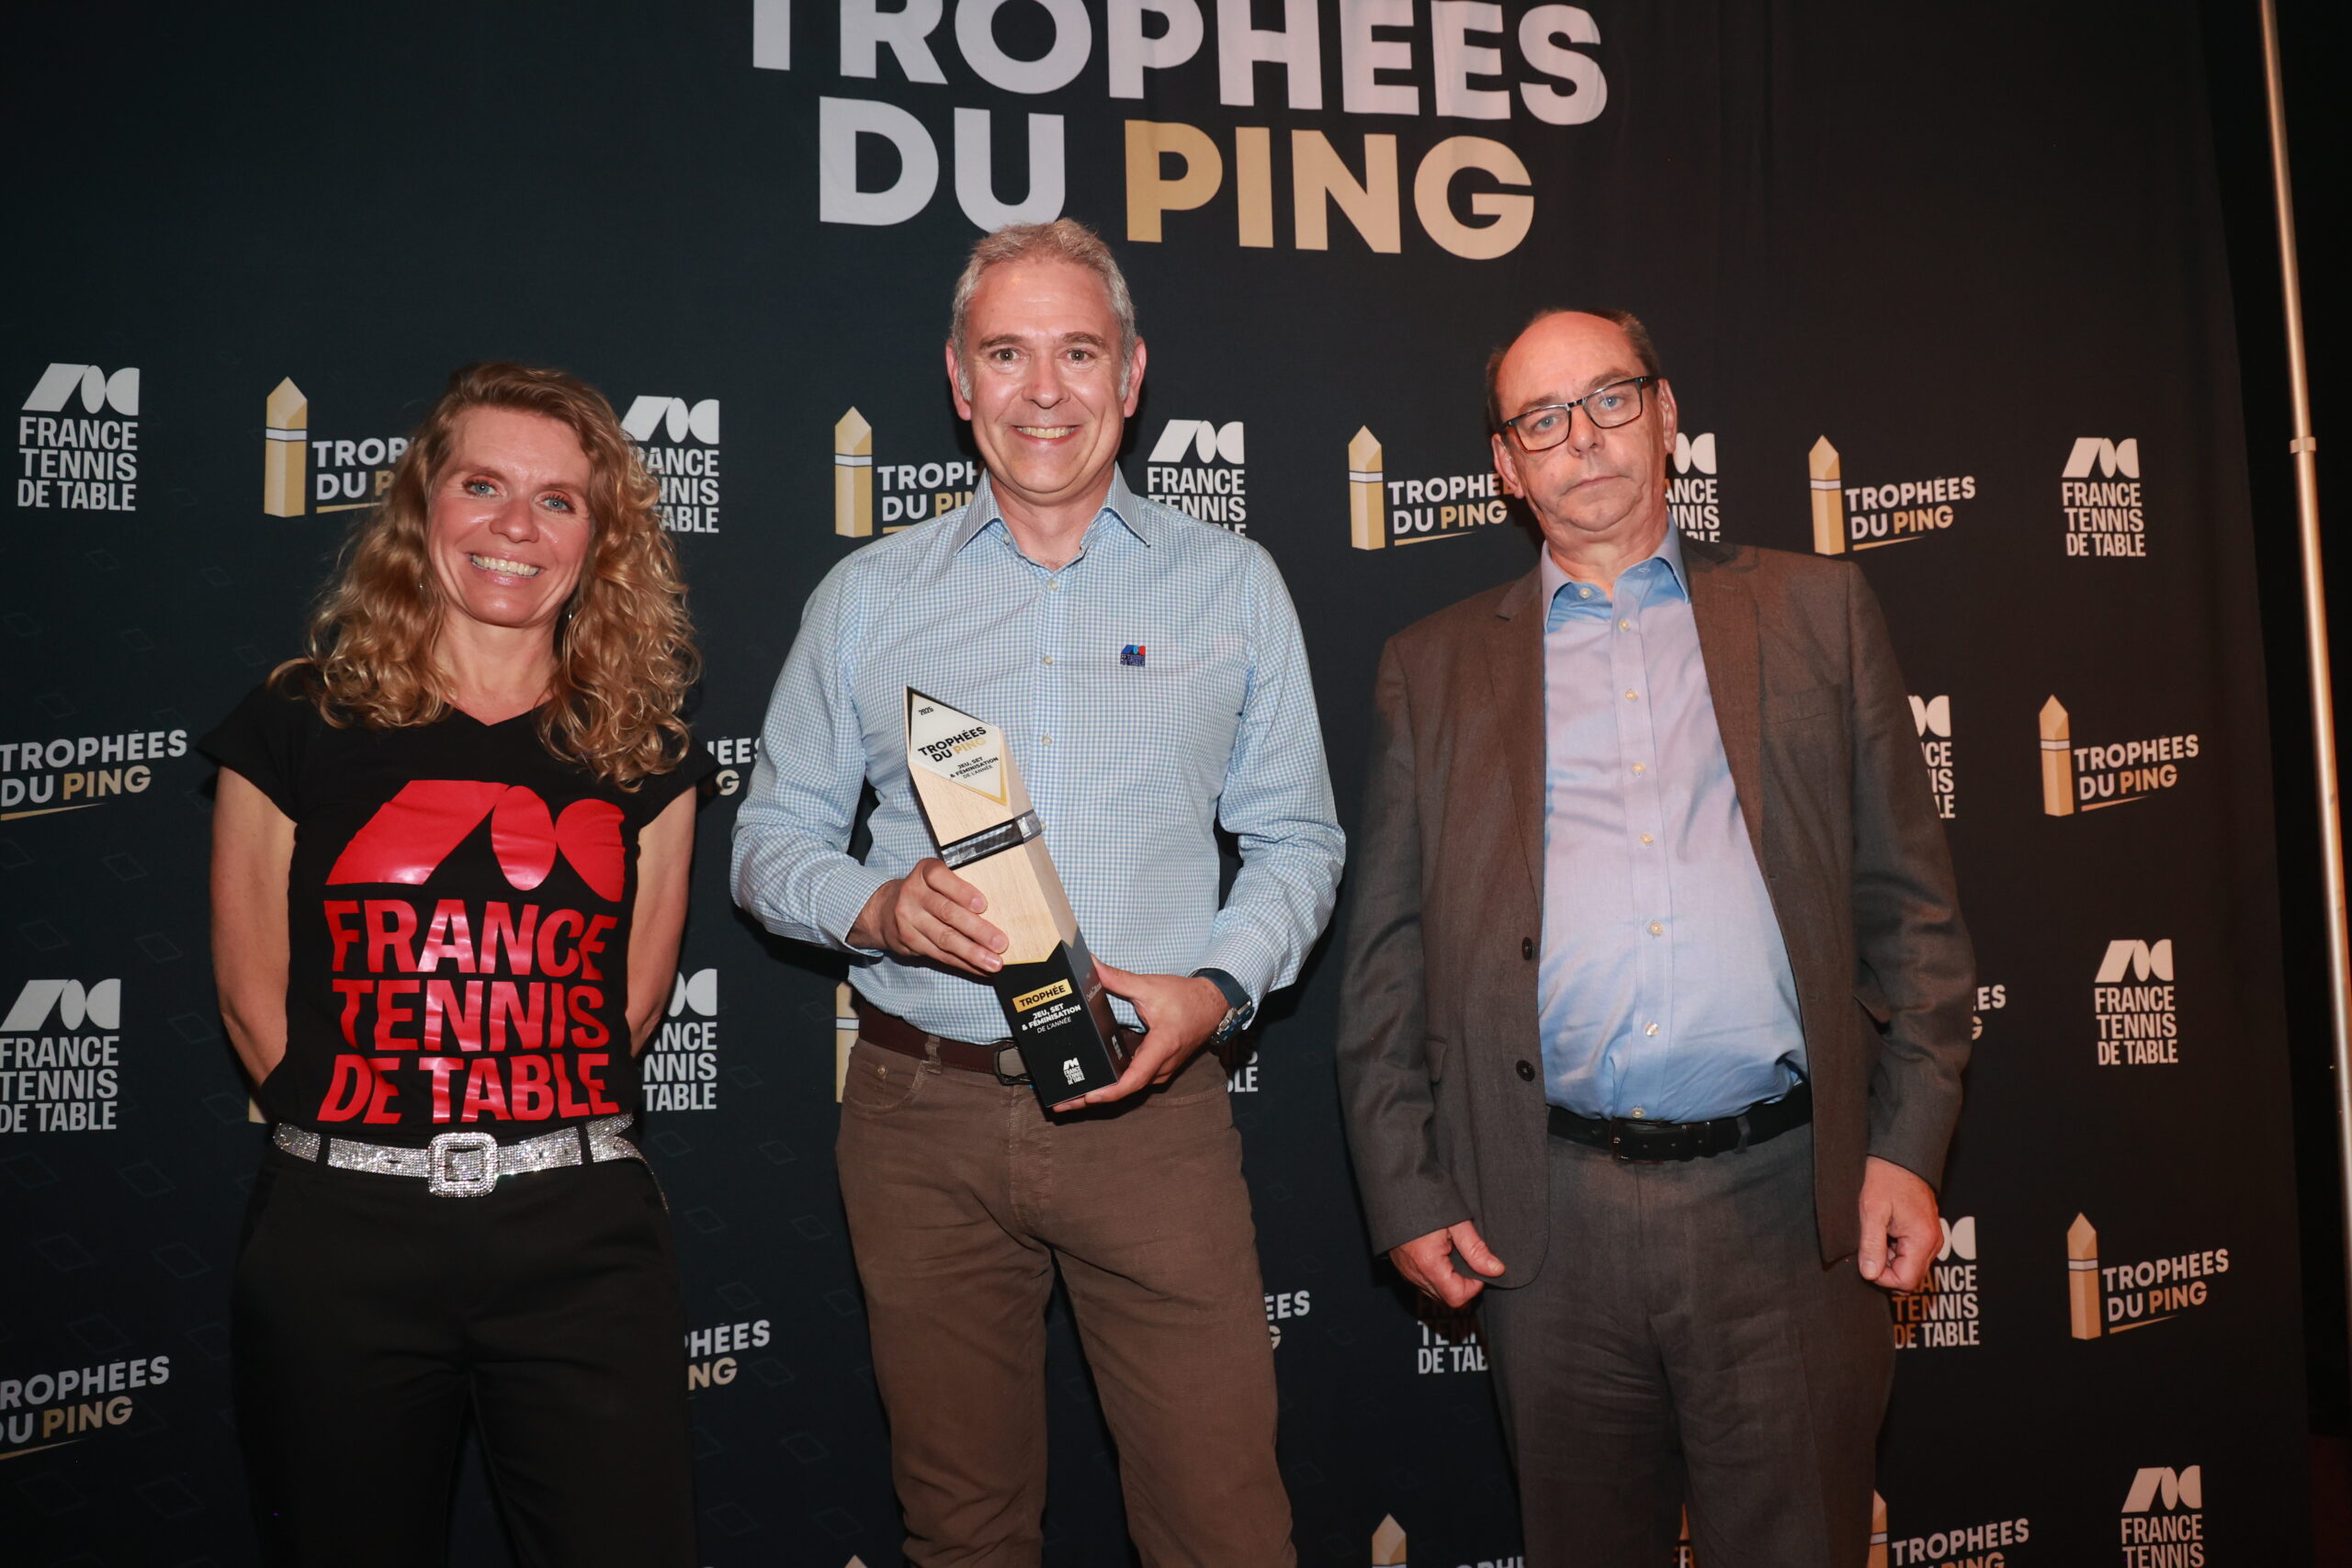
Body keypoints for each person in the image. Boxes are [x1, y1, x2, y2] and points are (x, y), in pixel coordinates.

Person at [731, 219, 1342, 1568]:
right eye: (1007, 354)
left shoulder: (1233, 585)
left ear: (1132, 373)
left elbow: (1299, 839)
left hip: (1153, 1112)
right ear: (960, 381)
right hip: (920, 1118)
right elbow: (767, 840)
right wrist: (878, 910)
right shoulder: (867, 597)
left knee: (1224, 1530)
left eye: (1078, 351)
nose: (1045, 390)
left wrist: (1216, 990)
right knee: (963, 1530)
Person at [1335, 310, 1973, 1567]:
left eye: (1610, 399)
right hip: (1549, 1225)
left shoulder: (1818, 611)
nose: (1583, 438)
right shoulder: (1434, 667)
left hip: (1791, 1212)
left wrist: (1907, 1145)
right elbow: (1386, 960)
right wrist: (1406, 1185)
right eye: (1541, 420)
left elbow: (1917, 915)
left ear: (1667, 414)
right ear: (1506, 466)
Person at [205, 362, 712, 1567]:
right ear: (421, 505)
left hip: (578, 1240)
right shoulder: (295, 721)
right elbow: (251, 991)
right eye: (483, 486)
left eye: (557, 500)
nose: (514, 527)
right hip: (342, 1239)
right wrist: (374, 1142)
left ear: (599, 542)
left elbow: (631, 1005)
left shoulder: (643, 753)